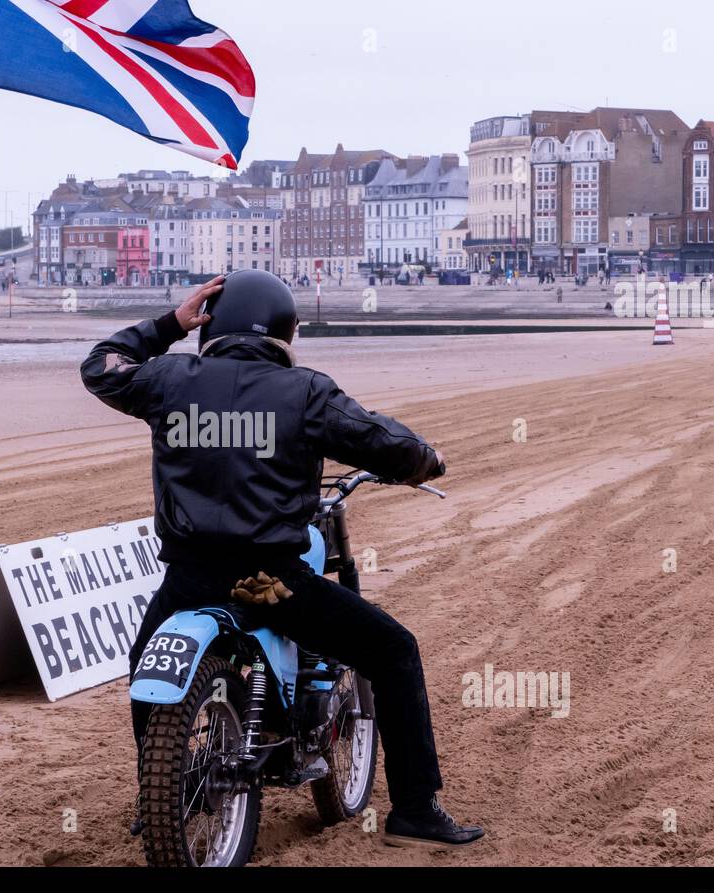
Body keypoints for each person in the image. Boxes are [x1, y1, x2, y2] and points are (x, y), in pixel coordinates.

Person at [81, 269, 483, 848]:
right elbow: (381, 441)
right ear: (284, 331)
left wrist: (169, 323)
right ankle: (415, 810)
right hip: (269, 580)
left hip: (189, 579)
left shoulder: (168, 378)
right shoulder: (306, 392)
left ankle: (161, 795)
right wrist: (426, 460)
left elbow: (102, 365)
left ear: (209, 325)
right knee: (395, 651)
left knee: (145, 664)